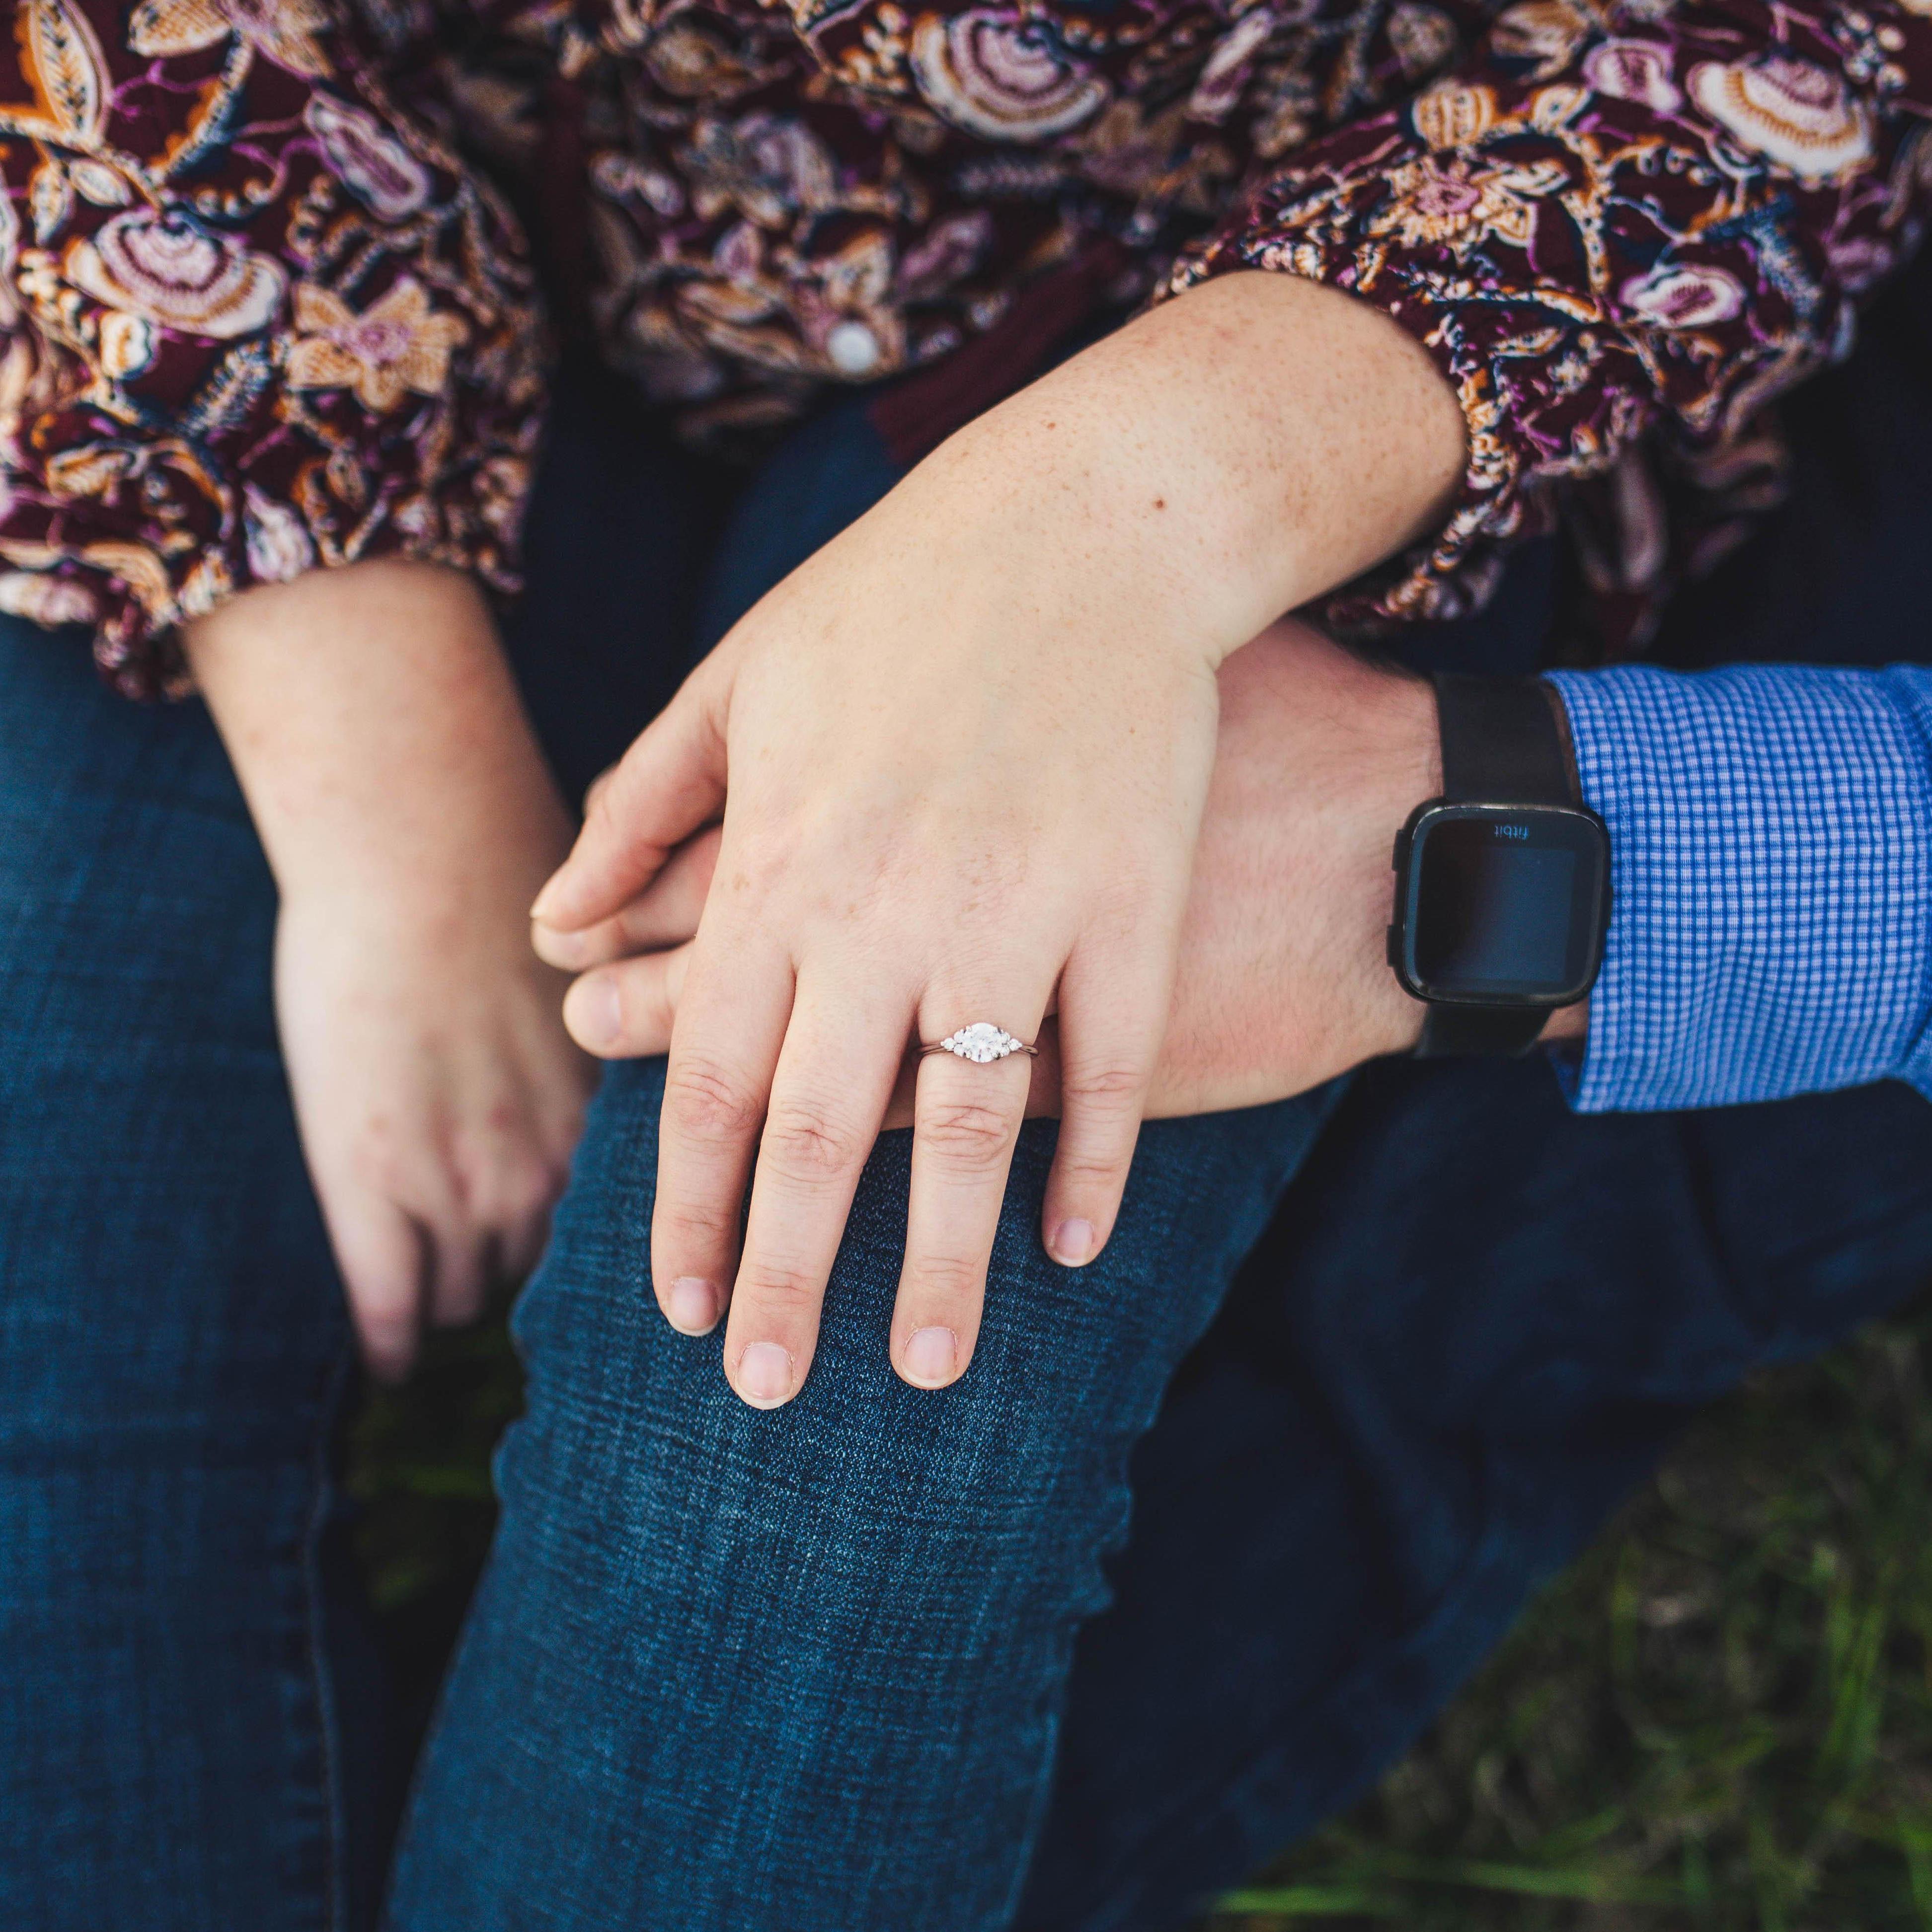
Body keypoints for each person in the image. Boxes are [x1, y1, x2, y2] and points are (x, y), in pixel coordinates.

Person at [5, 3, 1932, 1931]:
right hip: (366, 251)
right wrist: (397, 819)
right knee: (59, 1322)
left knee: (818, 1457)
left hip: (1299, 327)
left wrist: (1126, 520)